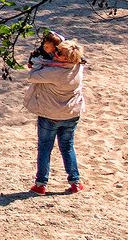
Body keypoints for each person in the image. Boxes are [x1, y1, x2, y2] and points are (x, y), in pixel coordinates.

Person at [23, 31, 86, 195]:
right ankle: (75, 182)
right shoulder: (78, 67)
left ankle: (41, 183)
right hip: (72, 114)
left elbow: (32, 77)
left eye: (59, 53)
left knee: (44, 148)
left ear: (66, 58)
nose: (55, 53)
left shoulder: (52, 72)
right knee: (67, 147)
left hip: (50, 114)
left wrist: (39, 63)